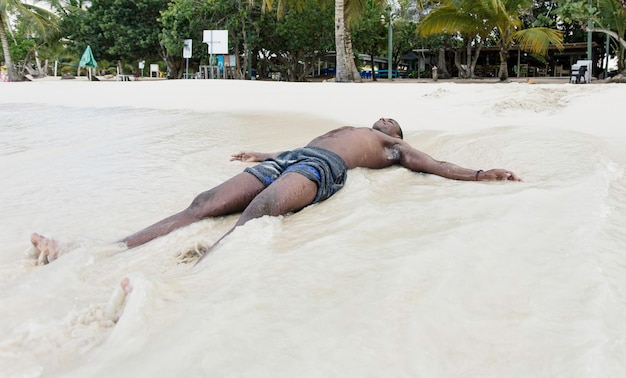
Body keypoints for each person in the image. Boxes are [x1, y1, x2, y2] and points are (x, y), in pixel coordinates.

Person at [31, 118, 521, 264]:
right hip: (291, 157)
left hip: (325, 168)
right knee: (203, 203)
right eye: (382, 118)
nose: (383, 119)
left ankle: (206, 261)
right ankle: (102, 249)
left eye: (390, 120)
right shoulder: (348, 126)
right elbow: (299, 146)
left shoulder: (393, 144)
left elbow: (435, 165)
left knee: (265, 209)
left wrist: (479, 174)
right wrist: (261, 156)